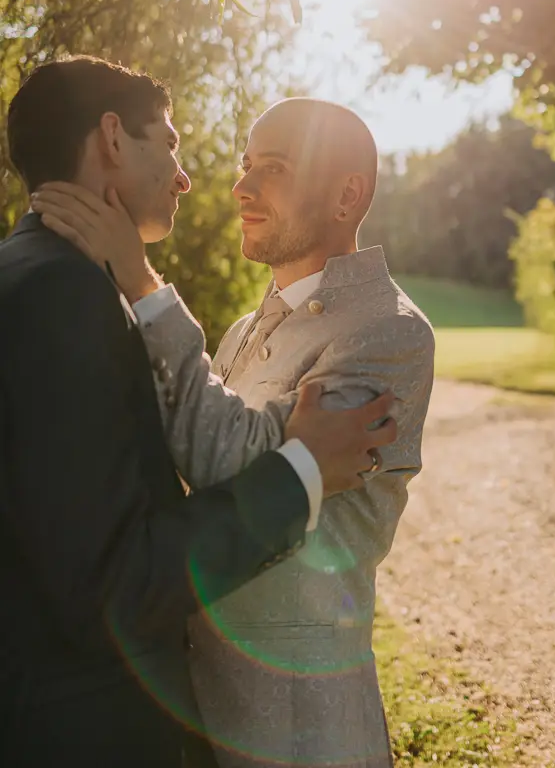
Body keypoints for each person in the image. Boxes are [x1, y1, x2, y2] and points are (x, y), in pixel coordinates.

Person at [2, 58, 397, 768]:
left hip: (297, 718)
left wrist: (143, 286)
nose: (197, 179)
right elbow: (111, 575)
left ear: (347, 195)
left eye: (270, 166)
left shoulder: (387, 331)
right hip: (84, 724)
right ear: (114, 141)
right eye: (173, 144)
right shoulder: (61, 295)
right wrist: (303, 466)